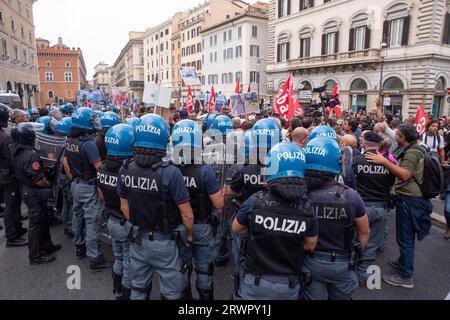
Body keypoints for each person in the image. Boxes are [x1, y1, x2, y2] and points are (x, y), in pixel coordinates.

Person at [117, 114, 194, 300]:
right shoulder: (171, 172)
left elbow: (124, 207)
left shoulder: (125, 168)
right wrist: (189, 234)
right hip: (165, 242)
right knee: (171, 292)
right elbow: (186, 213)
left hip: (137, 238)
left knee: (138, 288)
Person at [232, 143, 318, 300]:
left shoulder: (255, 201)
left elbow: (237, 228)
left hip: (256, 280)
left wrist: (260, 234)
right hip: (289, 282)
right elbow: (310, 244)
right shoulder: (307, 208)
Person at [366, 124, 433, 289]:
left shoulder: (412, 152)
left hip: (411, 200)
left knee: (405, 239)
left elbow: (404, 174)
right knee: (406, 238)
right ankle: (403, 262)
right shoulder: (417, 148)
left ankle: (405, 276)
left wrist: (383, 161)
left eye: (397, 135)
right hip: (414, 199)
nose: (395, 137)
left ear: (403, 138)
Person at [303, 137, 370, 300]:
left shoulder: (302, 195)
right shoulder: (351, 196)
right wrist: (358, 253)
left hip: (311, 261)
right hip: (342, 263)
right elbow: (364, 231)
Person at [172, 119, 224, 300]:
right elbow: (218, 204)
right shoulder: (205, 170)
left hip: (179, 226)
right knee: (204, 270)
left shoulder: (170, 169)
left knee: (182, 267)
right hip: (201, 225)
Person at [63, 107, 112, 270]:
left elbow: (66, 162)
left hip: (76, 184)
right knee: (92, 221)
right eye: (92, 120)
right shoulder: (89, 144)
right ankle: (96, 258)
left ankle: (79, 247)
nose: (96, 123)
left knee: (77, 216)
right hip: (88, 185)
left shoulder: (70, 140)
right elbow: (98, 167)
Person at [11, 123, 61, 264]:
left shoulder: (15, 150)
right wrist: (49, 184)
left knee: (43, 219)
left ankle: (47, 246)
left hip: (26, 188)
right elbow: (39, 180)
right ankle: (35, 255)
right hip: (34, 191)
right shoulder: (30, 155)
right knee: (36, 223)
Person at [352, 132, 395, 286]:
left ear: (364, 144)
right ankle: (363, 274)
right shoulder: (387, 163)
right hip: (380, 207)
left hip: (361, 208)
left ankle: (351, 269)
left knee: (355, 239)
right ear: (378, 145)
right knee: (372, 243)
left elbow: (350, 182)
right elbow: (391, 183)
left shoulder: (356, 160)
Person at [97, 124, 135, 300]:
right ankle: (125, 294)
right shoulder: (126, 171)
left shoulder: (102, 168)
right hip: (123, 221)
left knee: (118, 257)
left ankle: (117, 288)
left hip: (111, 219)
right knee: (129, 260)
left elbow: (100, 195)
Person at [0, 105, 27, 247]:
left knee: (14, 204)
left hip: (4, 175)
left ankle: (17, 229)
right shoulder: (5, 138)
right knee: (11, 206)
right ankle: (11, 237)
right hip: (8, 176)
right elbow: (12, 158)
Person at [55, 117, 74, 239]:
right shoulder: (67, 141)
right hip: (66, 177)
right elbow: (65, 163)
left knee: (66, 202)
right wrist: (72, 178)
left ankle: (66, 224)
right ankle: (70, 227)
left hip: (60, 176)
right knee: (71, 203)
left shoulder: (58, 140)